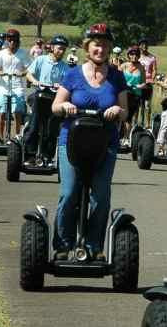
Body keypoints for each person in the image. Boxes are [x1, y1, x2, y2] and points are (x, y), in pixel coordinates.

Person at [50, 23, 130, 261]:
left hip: (105, 143)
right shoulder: (73, 74)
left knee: (101, 195)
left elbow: (125, 112)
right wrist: (64, 106)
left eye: (105, 45)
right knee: (69, 192)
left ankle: (93, 247)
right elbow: (55, 106)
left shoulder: (117, 77)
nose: (101, 49)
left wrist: (117, 109)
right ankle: (64, 245)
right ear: (88, 47)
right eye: (96, 44)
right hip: (71, 142)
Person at [23, 34, 70, 164]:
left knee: (52, 130)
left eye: (63, 49)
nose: (61, 51)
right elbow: (28, 74)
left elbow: (68, 84)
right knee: (34, 126)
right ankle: (30, 155)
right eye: (59, 48)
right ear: (52, 47)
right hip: (40, 95)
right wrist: (36, 81)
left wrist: (61, 85)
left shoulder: (65, 67)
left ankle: (47, 156)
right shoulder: (41, 60)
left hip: (55, 99)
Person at [0, 29, 31, 143]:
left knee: (17, 112)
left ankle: (17, 136)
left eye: (14, 39)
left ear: (18, 40)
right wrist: (0, 73)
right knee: (2, 112)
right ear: (7, 40)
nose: (12, 42)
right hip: (4, 87)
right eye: (10, 39)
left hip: (17, 86)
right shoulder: (1, 53)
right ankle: (1, 138)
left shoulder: (23, 53)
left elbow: (29, 69)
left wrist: (22, 73)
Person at [120, 46, 146, 148]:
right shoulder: (123, 66)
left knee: (128, 117)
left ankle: (126, 138)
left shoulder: (141, 67)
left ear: (139, 56)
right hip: (123, 93)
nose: (134, 56)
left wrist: (139, 86)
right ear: (128, 55)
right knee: (119, 115)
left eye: (136, 54)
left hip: (135, 94)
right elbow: (117, 78)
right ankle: (117, 136)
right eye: (132, 54)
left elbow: (144, 83)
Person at [137, 38, 158, 120]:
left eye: (146, 44)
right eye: (142, 44)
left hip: (148, 82)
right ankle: (138, 123)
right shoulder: (136, 56)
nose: (144, 46)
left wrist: (153, 78)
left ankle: (148, 124)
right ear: (139, 46)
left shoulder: (152, 57)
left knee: (147, 105)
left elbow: (154, 70)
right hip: (138, 82)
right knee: (139, 105)